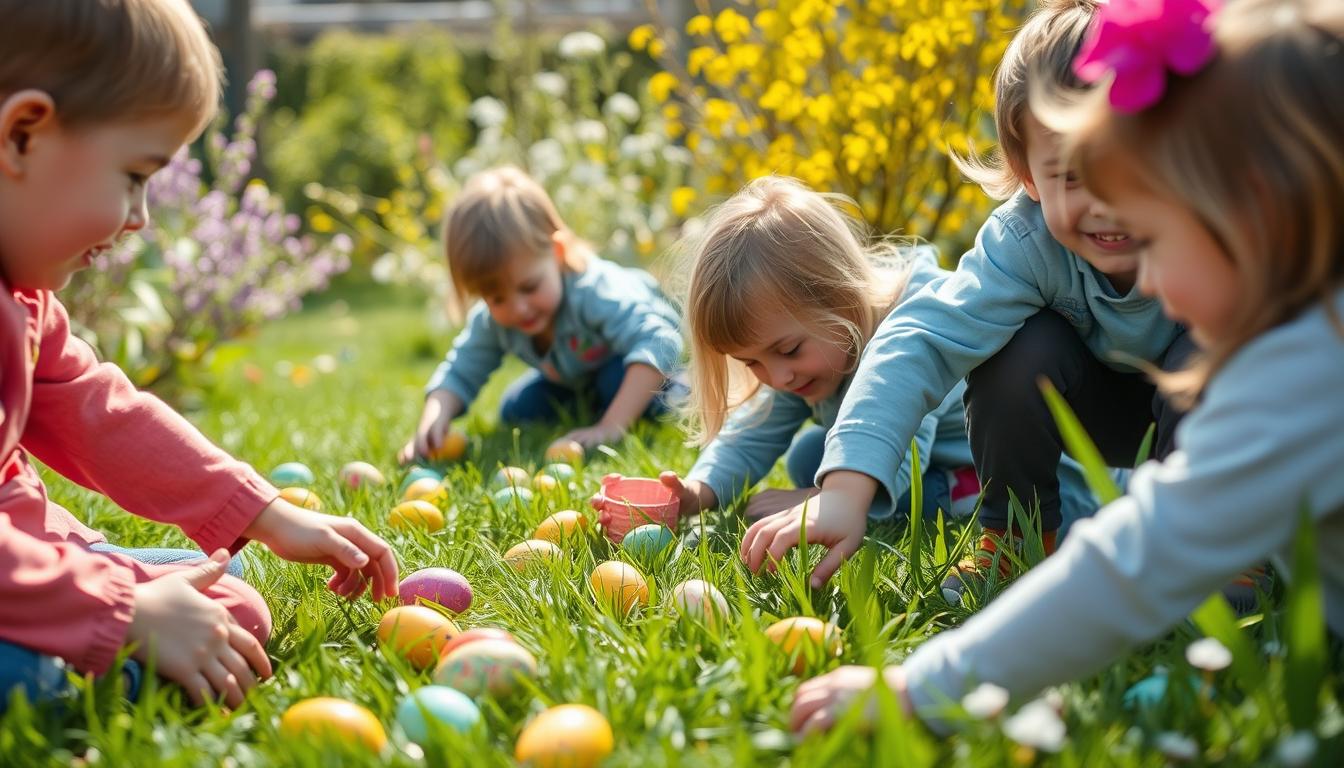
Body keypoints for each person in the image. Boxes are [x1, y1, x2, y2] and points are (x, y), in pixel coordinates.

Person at [789, 0, 1344, 735]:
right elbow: (922, 338)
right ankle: (1016, 536)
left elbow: (1135, 564)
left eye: (1156, 232)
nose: (1148, 279)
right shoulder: (1307, 336)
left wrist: (921, 691)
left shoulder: (1300, 374)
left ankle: (1230, 565)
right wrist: (851, 476)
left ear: (1251, 210)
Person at [0, 0, 399, 712]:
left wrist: (263, 514)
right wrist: (121, 612)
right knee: (48, 676)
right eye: (134, 175)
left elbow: (100, 413)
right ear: (22, 135)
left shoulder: (21, 296)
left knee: (227, 606)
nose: (141, 217)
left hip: (23, 569)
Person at [741, 0, 1198, 602]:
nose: (1107, 202)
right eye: (1071, 175)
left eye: (1132, 167)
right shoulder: (1025, 244)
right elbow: (918, 340)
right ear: (1028, 175)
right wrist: (845, 491)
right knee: (1016, 348)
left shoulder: (1208, 227)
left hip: (1204, 407)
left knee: (1214, 349)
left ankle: (1209, 544)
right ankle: (1019, 540)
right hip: (1099, 414)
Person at [663, 177, 1097, 529]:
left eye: (789, 350)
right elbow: (753, 431)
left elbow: (905, 460)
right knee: (810, 453)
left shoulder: (915, 335)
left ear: (842, 298)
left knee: (881, 485)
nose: (778, 377)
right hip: (936, 463)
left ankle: (964, 493)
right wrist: (696, 491)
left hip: (1034, 486)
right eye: (752, 362)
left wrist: (820, 501)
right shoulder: (803, 359)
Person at [400, 166, 684, 463]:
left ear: (557, 253)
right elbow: (461, 369)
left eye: (529, 287)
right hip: (575, 380)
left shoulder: (595, 292)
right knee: (517, 408)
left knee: (615, 383)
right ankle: (594, 406)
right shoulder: (493, 321)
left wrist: (609, 428)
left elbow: (660, 340)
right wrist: (434, 417)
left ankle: (680, 390)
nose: (518, 308)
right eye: (496, 298)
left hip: (637, 367)